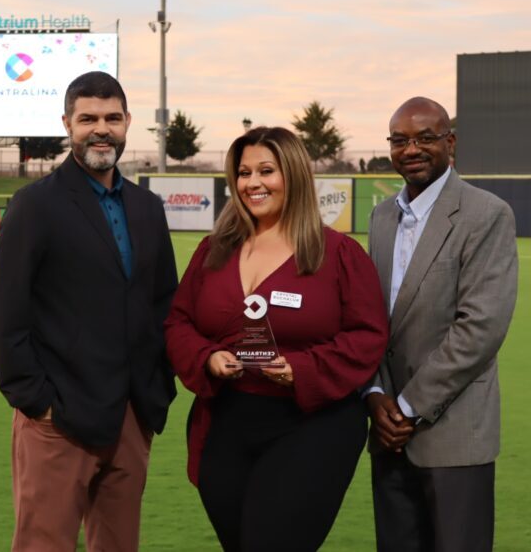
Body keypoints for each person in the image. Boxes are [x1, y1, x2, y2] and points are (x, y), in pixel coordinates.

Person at [165, 126, 389, 552]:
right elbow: (178, 323)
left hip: (311, 426)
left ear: (294, 175)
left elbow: (368, 335)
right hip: (226, 423)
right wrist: (208, 357)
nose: (253, 183)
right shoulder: (213, 251)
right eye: (244, 172)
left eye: (266, 170)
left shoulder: (338, 254)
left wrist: (301, 370)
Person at [0, 71, 177, 552]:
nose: (101, 129)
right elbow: (3, 314)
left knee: (118, 544)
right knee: (44, 544)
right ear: (67, 124)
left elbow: (163, 305)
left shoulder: (148, 207)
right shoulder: (35, 205)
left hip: (131, 415)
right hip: (58, 419)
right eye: (88, 118)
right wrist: (37, 402)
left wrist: (155, 391)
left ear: (128, 122)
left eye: (112, 118)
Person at [366, 96, 518, 552]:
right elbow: (368, 321)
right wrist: (374, 395)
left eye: (425, 138)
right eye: (399, 140)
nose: (411, 149)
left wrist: (408, 407)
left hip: (453, 434)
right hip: (387, 433)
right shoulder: (381, 217)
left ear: (450, 142)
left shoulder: (486, 213)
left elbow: (480, 329)